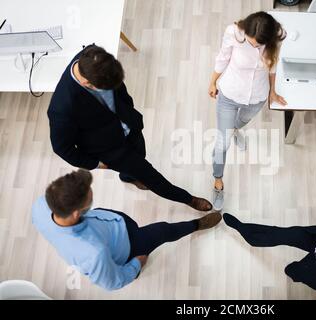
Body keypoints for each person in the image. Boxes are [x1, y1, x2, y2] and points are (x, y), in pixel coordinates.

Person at [48, 45, 212, 212]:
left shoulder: (95, 57)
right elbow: (62, 148)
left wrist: (129, 109)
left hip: (130, 126)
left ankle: (128, 177)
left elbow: (119, 88)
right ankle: (188, 199)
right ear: (87, 83)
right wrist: (96, 164)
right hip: (111, 150)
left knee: (141, 155)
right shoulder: (62, 108)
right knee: (152, 177)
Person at [32, 170, 222, 291]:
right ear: (75, 213)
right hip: (129, 248)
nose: (92, 193)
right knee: (163, 231)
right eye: (89, 197)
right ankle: (197, 225)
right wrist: (135, 265)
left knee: (133, 223)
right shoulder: (94, 253)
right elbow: (112, 282)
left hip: (111, 224)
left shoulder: (41, 206)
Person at [208, 12, 287, 211]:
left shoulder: (275, 38)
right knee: (222, 144)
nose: (253, 46)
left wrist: (272, 91)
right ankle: (218, 181)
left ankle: (233, 130)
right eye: (250, 43)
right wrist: (213, 81)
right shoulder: (234, 33)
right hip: (229, 94)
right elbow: (223, 57)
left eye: (258, 45)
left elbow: (273, 66)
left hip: (256, 98)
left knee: (241, 122)